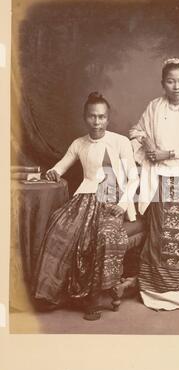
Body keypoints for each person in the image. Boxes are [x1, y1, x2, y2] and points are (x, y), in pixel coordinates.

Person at [33, 92, 139, 320]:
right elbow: (59, 168)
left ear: (108, 119)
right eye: (92, 117)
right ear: (85, 117)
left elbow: (134, 178)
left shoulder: (120, 142)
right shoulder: (79, 143)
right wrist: (52, 173)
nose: (97, 122)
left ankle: (92, 298)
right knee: (58, 227)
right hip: (84, 199)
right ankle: (53, 293)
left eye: (102, 117)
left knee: (99, 235)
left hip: (113, 200)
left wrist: (122, 204)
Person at [129, 58, 179, 311]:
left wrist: (170, 153)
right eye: (170, 81)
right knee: (160, 234)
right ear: (163, 84)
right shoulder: (154, 107)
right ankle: (155, 287)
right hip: (162, 178)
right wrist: (148, 144)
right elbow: (135, 130)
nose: (176, 86)